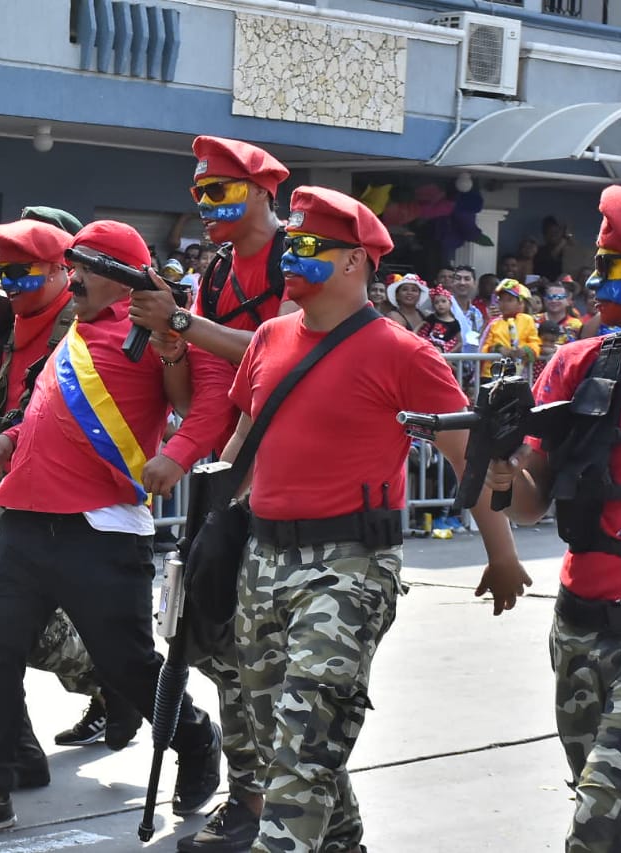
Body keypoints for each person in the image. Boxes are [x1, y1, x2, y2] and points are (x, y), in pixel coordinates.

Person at [223, 186, 529, 852]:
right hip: (262, 560)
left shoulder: (404, 353)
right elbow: (240, 450)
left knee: (304, 741)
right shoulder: (269, 338)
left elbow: (465, 457)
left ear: (355, 261)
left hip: (349, 568)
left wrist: (500, 554)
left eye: (308, 248)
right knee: (286, 729)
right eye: (290, 246)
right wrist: (206, 542)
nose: (290, 259)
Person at [0, 220, 222, 839]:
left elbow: (198, 405)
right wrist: (7, 438)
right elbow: (43, 409)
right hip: (24, 519)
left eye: (83, 265)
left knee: (128, 667)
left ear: (120, 277)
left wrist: (179, 450)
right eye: (71, 263)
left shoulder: (159, 334)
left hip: (103, 529)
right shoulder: (75, 333)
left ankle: (196, 738)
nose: (72, 276)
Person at [0, 217, 139, 766]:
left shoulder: (81, 325)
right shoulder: (11, 326)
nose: (11, 286)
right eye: (4, 274)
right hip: (16, 495)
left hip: (82, 505)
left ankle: (122, 695)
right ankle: (17, 746)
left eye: (23, 274)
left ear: (65, 272)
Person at [127, 136, 294, 853]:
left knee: (280, 660)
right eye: (199, 194)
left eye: (219, 193)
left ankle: (298, 806)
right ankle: (248, 797)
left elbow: (284, 358)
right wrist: (178, 450)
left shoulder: (302, 259)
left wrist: (183, 323)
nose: (205, 208)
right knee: (222, 642)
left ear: (261, 192)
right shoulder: (217, 272)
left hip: (296, 484)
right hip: (229, 483)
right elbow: (204, 397)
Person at [487, 184, 621, 853]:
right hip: (580, 626)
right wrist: (506, 472)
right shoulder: (578, 363)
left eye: (611, 264)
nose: (591, 278)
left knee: (600, 822)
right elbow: (530, 502)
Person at [479, 278, 542, 378]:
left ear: (520, 303)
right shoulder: (494, 323)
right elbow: (484, 347)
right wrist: (499, 349)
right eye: (501, 300)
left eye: (509, 300)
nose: (504, 304)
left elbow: (535, 343)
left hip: (517, 373)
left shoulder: (527, 320)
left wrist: (525, 351)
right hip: (492, 374)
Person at [418, 284, 462, 353]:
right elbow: (420, 325)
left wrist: (450, 353)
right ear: (433, 306)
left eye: (443, 301)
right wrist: (413, 335)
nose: (440, 304)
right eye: (436, 302)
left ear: (450, 303)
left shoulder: (455, 323)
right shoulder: (432, 317)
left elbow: (460, 342)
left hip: (443, 348)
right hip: (429, 344)